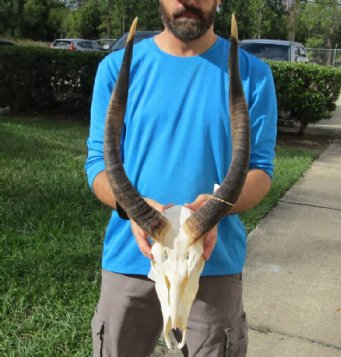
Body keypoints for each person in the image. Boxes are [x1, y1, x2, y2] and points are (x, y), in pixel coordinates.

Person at [85, 0, 277, 356]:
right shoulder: (116, 69)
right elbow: (99, 165)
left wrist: (215, 210)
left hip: (213, 262)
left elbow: (261, 172)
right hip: (130, 261)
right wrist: (134, 208)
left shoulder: (254, 75)